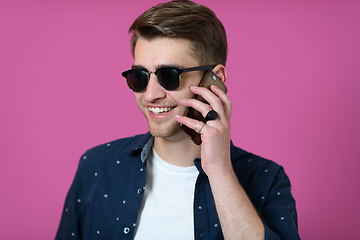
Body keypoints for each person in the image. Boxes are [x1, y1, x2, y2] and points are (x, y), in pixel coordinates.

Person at [55, 1, 300, 239]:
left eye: (169, 76)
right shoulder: (97, 167)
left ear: (215, 80)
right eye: (139, 77)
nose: (150, 95)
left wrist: (219, 171)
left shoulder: (267, 179)